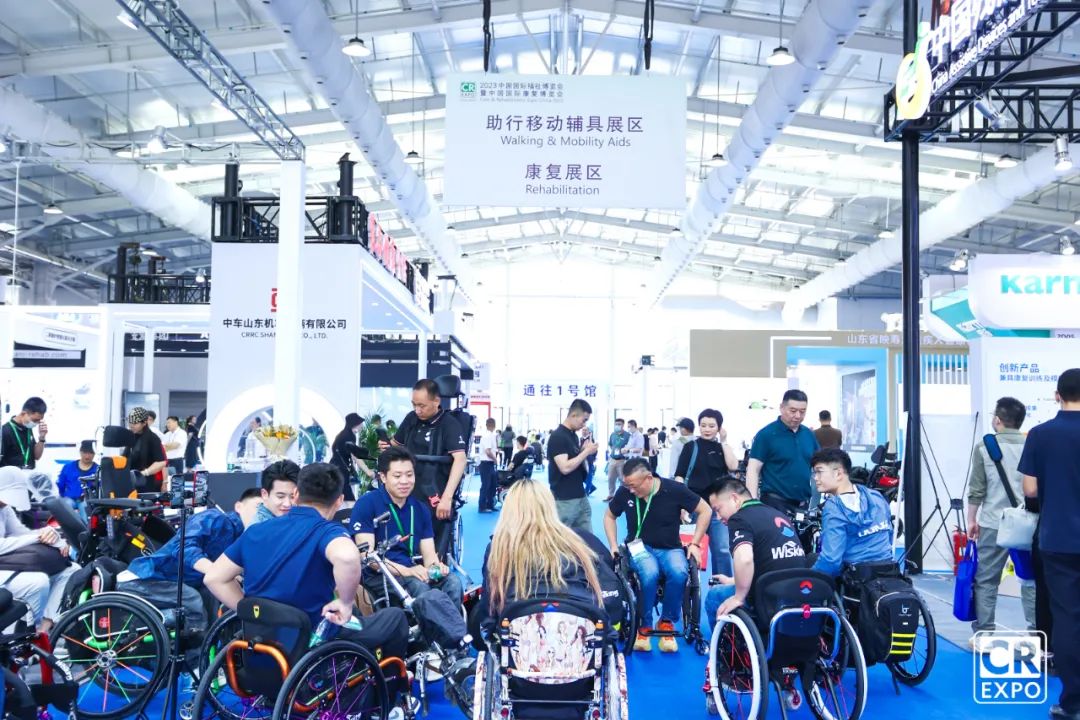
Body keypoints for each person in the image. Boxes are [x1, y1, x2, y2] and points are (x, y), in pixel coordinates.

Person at [204, 463, 410, 661]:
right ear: (339, 501)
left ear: (295, 495)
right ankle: (389, 683)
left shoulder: (255, 531)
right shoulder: (327, 531)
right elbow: (347, 557)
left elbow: (214, 578)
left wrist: (252, 612)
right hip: (313, 641)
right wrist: (346, 604)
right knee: (394, 617)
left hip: (261, 642)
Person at [1020, 369, 1080, 720]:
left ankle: (1073, 703)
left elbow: (1030, 489)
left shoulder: (1040, 434)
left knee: (1067, 619)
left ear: (1057, 395)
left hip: (1058, 538)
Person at [603, 458, 709, 653]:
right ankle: (645, 624)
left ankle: (666, 621)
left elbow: (705, 510)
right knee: (649, 571)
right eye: (627, 485)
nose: (630, 490)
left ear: (649, 478)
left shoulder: (674, 490)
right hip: (638, 547)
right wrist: (613, 545)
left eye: (634, 486)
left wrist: (695, 543)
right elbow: (609, 516)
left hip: (670, 547)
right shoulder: (625, 492)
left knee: (679, 572)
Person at [480, 479, 605, 634]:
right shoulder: (578, 542)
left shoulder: (499, 547)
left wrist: (492, 628)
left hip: (519, 630)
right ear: (549, 506)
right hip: (579, 626)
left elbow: (489, 603)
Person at [351, 447, 462, 606]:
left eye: (409, 475)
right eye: (397, 476)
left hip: (411, 570)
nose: (404, 481)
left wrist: (437, 568)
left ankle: (449, 623)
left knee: (453, 583)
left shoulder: (420, 508)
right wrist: (408, 571)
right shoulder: (367, 504)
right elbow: (367, 557)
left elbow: (430, 557)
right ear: (383, 477)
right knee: (421, 589)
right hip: (378, 575)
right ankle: (436, 622)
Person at [966, 397, 1036, 646]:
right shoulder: (1033, 444)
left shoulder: (984, 447)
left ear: (997, 419)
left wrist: (971, 520)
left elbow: (977, 490)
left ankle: (984, 635)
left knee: (986, 579)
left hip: (993, 523)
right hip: (1027, 524)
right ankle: (1036, 634)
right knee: (1030, 580)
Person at [121, 488, 263, 606]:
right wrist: (218, 571)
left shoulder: (245, 537)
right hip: (145, 578)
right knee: (192, 600)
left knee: (214, 593)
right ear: (239, 506)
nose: (261, 514)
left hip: (177, 583)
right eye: (258, 507)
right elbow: (183, 547)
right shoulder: (214, 518)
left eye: (266, 511)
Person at [703, 478, 808, 631]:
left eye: (718, 509)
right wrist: (733, 581)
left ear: (734, 499)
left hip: (769, 597)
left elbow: (745, 559)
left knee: (714, 596)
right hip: (799, 592)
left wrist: (738, 597)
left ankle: (719, 645)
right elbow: (772, 562)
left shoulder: (739, 518)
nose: (718, 518)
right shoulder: (777, 514)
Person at [393, 379, 468, 559]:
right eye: (414, 404)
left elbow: (460, 459)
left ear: (436, 401)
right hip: (406, 486)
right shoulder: (411, 419)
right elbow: (395, 445)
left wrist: (447, 498)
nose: (417, 410)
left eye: (422, 405)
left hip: (433, 491)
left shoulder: (449, 424)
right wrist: (387, 447)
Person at [0, 469, 78, 634]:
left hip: (6, 567)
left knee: (71, 570)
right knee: (38, 582)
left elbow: (21, 533)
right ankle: (27, 632)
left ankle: (44, 629)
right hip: (4, 569)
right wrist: (38, 537)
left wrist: (53, 536)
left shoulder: (4, 509)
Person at [674, 409, 739, 577]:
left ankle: (721, 587)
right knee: (689, 549)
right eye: (703, 425)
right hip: (694, 506)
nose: (707, 429)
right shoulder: (690, 447)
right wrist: (680, 503)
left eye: (711, 426)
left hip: (719, 508)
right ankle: (689, 586)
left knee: (722, 550)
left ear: (719, 428)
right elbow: (679, 475)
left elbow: (733, 466)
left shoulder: (721, 448)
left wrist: (724, 441)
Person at [808, 448, 893, 577]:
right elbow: (889, 536)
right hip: (888, 572)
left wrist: (807, 579)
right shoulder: (876, 496)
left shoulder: (834, 508)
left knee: (810, 562)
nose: (815, 478)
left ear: (838, 473)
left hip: (856, 578)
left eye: (819, 472)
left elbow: (831, 562)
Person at [746, 390, 820, 515]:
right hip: (775, 503)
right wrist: (752, 502)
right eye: (793, 411)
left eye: (802, 411)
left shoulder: (808, 435)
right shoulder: (766, 435)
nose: (798, 416)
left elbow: (820, 464)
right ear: (781, 408)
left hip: (803, 504)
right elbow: (753, 469)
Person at [547, 399, 599, 533]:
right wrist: (586, 452)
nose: (584, 424)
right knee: (561, 538)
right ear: (574, 415)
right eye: (584, 420)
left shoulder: (573, 436)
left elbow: (574, 460)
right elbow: (564, 468)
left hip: (579, 494)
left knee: (586, 538)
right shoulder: (558, 436)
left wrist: (583, 450)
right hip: (564, 499)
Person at [331, 413, 372, 503]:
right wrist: (368, 471)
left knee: (340, 498)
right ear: (355, 423)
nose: (362, 425)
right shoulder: (348, 436)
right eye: (360, 423)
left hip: (335, 469)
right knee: (349, 500)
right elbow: (355, 456)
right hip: (340, 472)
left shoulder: (342, 435)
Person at [124, 407, 168, 490]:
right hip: (129, 482)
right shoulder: (131, 436)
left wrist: (143, 473)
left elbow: (161, 462)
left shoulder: (153, 438)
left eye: (135, 423)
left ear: (144, 423)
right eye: (130, 422)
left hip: (146, 483)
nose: (131, 425)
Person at [56, 440, 97, 519]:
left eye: (90, 453)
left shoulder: (97, 469)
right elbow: (60, 485)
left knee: (86, 508)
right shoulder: (68, 467)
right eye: (85, 453)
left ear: (94, 454)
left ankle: (86, 526)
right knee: (66, 505)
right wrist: (62, 496)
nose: (87, 456)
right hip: (69, 499)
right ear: (80, 452)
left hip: (87, 501)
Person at [254, 459, 299, 524]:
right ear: (264, 494)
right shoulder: (259, 527)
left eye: (293, 497)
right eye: (280, 497)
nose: (287, 504)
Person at [477, 418, 499, 513]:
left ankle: (490, 505)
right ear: (494, 425)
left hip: (489, 464)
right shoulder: (487, 436)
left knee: (492, 485)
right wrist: (495, 460)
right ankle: (482, 507)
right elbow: (488, 451)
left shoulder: (491, 436)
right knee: (486, 485)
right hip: (486, 463)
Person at [605, 419, 630, 502]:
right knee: (610, 478)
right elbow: (610, 445)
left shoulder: (627, 435)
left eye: (619, 424)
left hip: (622, 460)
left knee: (622, 479)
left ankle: (624, 496)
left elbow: (629, 447)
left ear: (623, 425)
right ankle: (611, 495)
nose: (617, 426)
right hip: (612, 459)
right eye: (616, 424)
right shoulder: (613, 434)